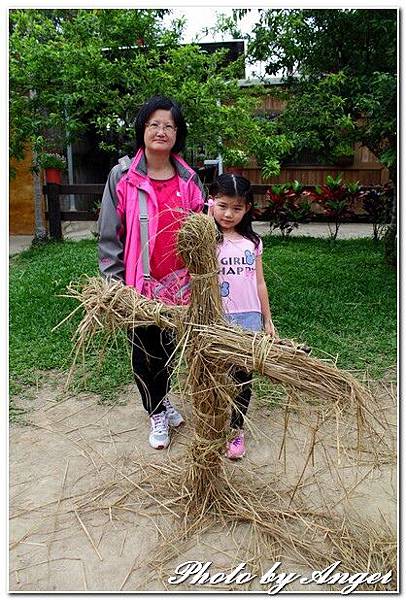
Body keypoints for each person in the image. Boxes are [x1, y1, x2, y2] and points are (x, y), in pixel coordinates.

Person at [97, 96, 205, 450]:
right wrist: (114, 286)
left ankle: (162, 398)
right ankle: (156, 410)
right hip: (138, 286)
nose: (161, 131)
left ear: (178, 133)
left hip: (180, 286)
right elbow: (109, 234)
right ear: (142, 129)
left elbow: (202, 234)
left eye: (169, 126)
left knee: (170, 349)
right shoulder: (123, 175)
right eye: (154, 124)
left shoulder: (189, 179)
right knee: (145, 352)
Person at [209, 173, 276, 459]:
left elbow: (259, 282)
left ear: (247, 208)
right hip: (217, 318)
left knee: (242, 377)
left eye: (237, 208)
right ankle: (213, 424)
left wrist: (267, 320)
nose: (228, 213)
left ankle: (236, 430)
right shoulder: (206, 240)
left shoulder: (252, 242)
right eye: (222, 205)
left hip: (248, 319)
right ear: (210, 202)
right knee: (213, 374)